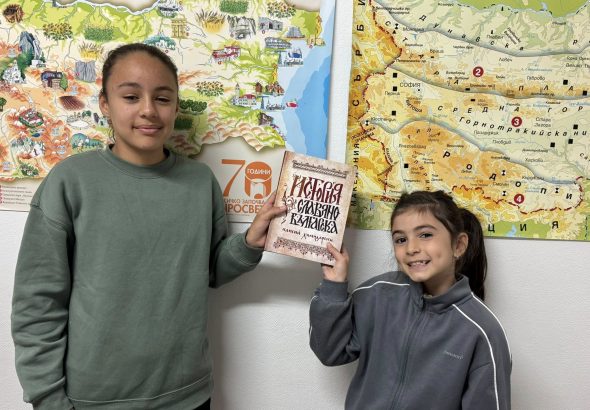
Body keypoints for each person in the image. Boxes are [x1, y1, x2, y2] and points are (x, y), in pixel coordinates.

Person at [11, 43, 285, 410]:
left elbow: (206, 270)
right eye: (130, 96)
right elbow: (37, 302)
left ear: (176, 106)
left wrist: (249, 243)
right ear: (105, 104)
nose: (148, 110)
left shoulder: (200, 182)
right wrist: (47, 398)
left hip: (187, 394)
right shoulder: (70, 182)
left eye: (162, 98)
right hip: (95, 399)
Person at [309, 190, 511, 409]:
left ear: (458, 245)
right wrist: (334, 285)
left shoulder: (483, 331)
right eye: (401, 239)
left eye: (425, 235)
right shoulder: (376, 295)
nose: (411, 248)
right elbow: (330, 352)